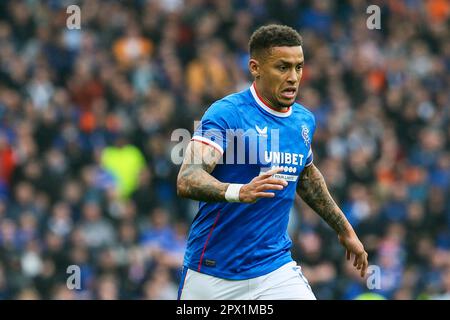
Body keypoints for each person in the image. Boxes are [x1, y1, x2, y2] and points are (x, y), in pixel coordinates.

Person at [176, 24, 368, 300]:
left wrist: (345, 230)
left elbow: (306, 177)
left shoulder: (303, 121)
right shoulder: (227, 114)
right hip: (213, 273)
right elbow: (188, 177)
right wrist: (239, 192)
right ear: (255, 67)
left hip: (274, 270)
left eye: (298, 67)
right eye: (282, 67)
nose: (293, 77)